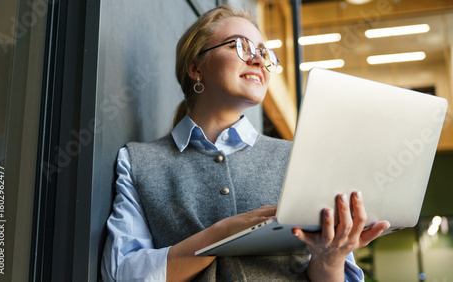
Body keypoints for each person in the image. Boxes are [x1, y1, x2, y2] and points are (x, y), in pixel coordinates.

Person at [101, 5, 390, 282]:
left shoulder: (300, 159)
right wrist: (221, 234)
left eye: (263, 53)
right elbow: (122, 272)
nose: (257, 60)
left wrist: (330, 259)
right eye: (239, 46)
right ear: (195, 67)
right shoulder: (137, 162)